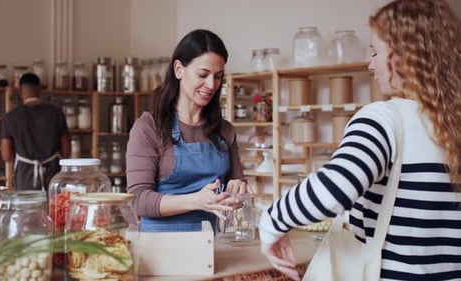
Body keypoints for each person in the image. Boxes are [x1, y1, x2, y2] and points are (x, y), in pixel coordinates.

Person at [259, 0, 461, 280]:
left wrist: (271, 220)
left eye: (376, 51)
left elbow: (337, 186)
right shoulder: (453, 125)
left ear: (403, 57)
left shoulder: (385, 119)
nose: (370, 64)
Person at [126, 29, 248, 232]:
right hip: (159, 247)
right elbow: (138, 200)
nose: (211, 85)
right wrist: (195, 201)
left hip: (212, 246)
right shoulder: (149, 127)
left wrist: (238, 193)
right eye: (203, 74)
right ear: (178, 69)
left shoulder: (224, 130)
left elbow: (238, 190)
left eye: (218, 77)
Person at [1, 73, 71, 191]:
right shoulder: (56, 114)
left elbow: (6, 155)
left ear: (20, 92)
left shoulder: (10, 117)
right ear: (39, 90)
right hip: (52, 174)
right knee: (54, 207)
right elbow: (66, 151)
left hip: (25, 176)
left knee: (28, 208)